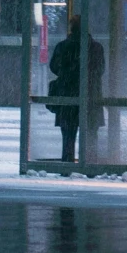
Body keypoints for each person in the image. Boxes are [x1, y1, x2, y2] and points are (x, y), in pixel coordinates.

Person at [46, 17, 106, 165]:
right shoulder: (96, 48)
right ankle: (90, 166)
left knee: (68, 137)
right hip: (90, 97)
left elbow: (54, 67)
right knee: (91, 136)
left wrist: (68, 74)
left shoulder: (63, 47)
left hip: (68, 97)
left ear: (71, 28)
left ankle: (67, 165)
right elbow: (101, 70)